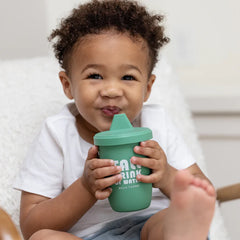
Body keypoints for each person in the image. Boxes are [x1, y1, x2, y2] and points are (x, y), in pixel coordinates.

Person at [14, 0, 216, 239]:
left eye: (128, 77)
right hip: (90, 236)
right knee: (43, 238)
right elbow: (30, 225)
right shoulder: (58, 133)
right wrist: (85, 188)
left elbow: (204, 191)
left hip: (152, 227)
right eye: (95, 75)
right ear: (68, 85)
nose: (111, 90)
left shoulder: (156, 122)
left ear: (148, 88)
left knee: (173, 221)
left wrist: (167, 175)